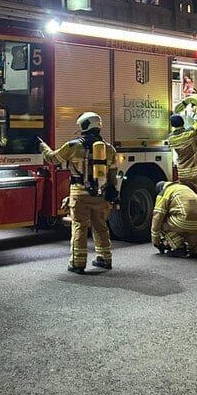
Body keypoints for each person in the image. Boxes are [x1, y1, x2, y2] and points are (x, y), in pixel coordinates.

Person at [40, 111, 119, 274]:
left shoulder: (73, 146)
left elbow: (52, 158)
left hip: (79, 195)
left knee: (79, 227)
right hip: (100, 195)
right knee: (101, 226)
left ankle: (78, 263)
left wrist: (42, 145)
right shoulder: (109, 149)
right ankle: (105, 258)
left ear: (84, 126)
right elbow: (112, 175)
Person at [167, 95, 197, 228]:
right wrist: (194, 107)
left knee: (190, 201)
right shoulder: (191, 133)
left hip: (183, 174)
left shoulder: (171, 139)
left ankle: (190, 226)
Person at [151, 180, 197, 263]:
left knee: (161, 222)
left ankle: (179, 248)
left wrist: (156, 241)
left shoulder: (164, 192)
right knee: (193, 246)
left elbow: (158, 216)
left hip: (183, 220)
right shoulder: (185, 188)